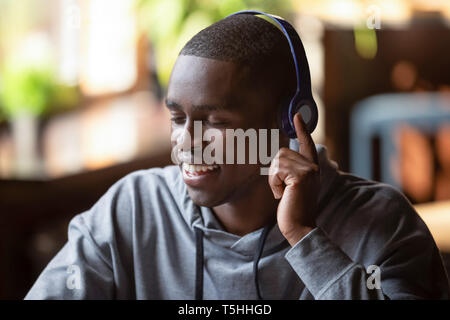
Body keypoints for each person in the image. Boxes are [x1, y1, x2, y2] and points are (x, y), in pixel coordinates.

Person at [26, 13, 449, 300]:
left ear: (291, 122)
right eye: (177, 117)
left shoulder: (384, 223)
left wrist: (304, 236)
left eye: (215, 122)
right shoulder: (132, 209)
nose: (187, 143)